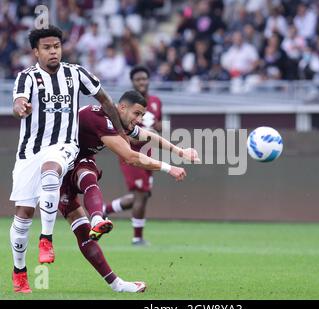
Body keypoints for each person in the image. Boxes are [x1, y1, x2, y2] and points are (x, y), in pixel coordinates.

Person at [10, 25, 127, 293]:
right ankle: (19, 272)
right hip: (29, 152)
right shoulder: (26, 78)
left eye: (57, 47)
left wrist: (122, 132)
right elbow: (18, 104)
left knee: (51, 171)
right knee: (23, 215)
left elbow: (105, 99)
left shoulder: (75, 73)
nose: (53, 52)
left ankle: (46, 239)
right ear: (35, 52)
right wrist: (21, 108)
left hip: (64, 146)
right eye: (47, 48)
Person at [53, 90, 198, 293]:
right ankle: (96, 219)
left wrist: (180, 151)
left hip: (75, 164)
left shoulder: (120, 122)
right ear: (121, 108)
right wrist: (169, 168)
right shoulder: (99, 118)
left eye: (142, 116)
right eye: (136, 114)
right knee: (86, 176)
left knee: (85, 229)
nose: (139, 120)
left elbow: (148, 136)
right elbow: (131, 157)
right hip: (55, 166)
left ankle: (117, 284)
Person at [103, 65, 164, 245]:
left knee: (143, 195)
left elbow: (157, 124)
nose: (142, 82)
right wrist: (143, 137)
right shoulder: (126, 105)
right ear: (132, 82)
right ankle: (137, 238)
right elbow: (123, 131)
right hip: (131, 153)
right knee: (141, 194)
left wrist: (158, 128)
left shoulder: (156, 102)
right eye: (138, 79)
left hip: (149, 154)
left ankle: (102, 210)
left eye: (144, 78)